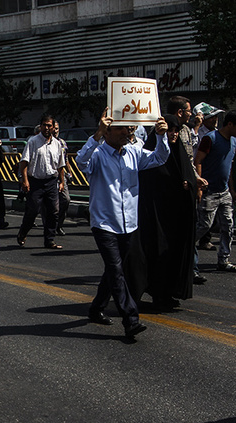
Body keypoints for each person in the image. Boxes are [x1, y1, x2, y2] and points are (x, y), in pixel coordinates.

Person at [75, 108, 169, 339]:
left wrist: (161, 136)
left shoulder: (133, 152)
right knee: (117, 271)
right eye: (123, 127)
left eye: (130, 127)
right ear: (108, 131)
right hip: (105, 222)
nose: (129, 131)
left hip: (129, 223)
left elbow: (159, 157)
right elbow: (81, 162)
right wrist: (96, 134)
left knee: (112, 270)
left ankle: (96, 308)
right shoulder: (98, 154)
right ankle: (130, 318)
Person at [135, 115, 201, 310]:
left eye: (176, 131)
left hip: (176, 218)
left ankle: (170, 292)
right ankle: (158, 294)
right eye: (169, 130)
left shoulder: (178, 153)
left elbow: (188, 175)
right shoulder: (150, 154)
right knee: (157, 252)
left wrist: (190, 183)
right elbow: (147, 183)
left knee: (174, 254)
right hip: (155, 217)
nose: (173, 134)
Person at [194, 110, 236, 275]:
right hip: (209, 190)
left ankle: (224, 259)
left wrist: (231, 189)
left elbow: (228, 167)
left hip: (224, 191)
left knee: (228, 226)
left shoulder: (234, 142)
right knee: (204, 226)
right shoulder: (210, 138)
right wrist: (199, 186)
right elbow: (198, 161)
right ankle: (185, 253)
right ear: (229, 124)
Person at [16, 113, 66, 249]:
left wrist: (62, 181)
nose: (47, 128)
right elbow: (24, 163)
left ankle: (49, 240)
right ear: (41, 126)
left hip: (51, 181)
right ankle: (23, 232)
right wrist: (25, 181)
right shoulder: (33, 142)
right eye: (44, 125)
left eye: (49, 125)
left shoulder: (57, 144)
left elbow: (61, 165)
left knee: (53, 211)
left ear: (53, 127)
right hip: (35, 181)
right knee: (32, 210)